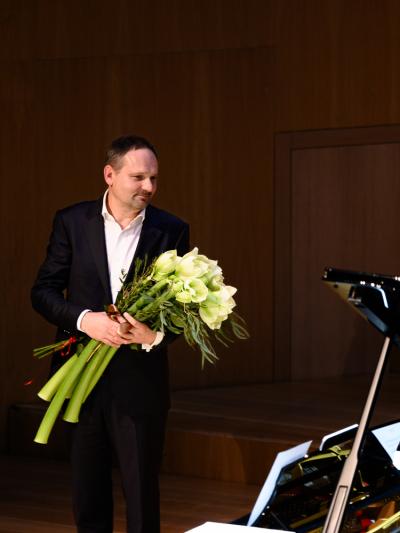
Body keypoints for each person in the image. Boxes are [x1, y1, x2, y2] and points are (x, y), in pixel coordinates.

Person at [31, 135, 190, 533]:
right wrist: (86, 320)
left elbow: (184, 307)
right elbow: (43, 292)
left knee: (142, 497)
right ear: (109, 175)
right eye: (138, 177)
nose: (148, 187)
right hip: (80, 380)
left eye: (154, 178)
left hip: (140, 382)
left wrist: (153, 336)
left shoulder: (171, 229)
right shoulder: (72, 221)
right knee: (88, 498)